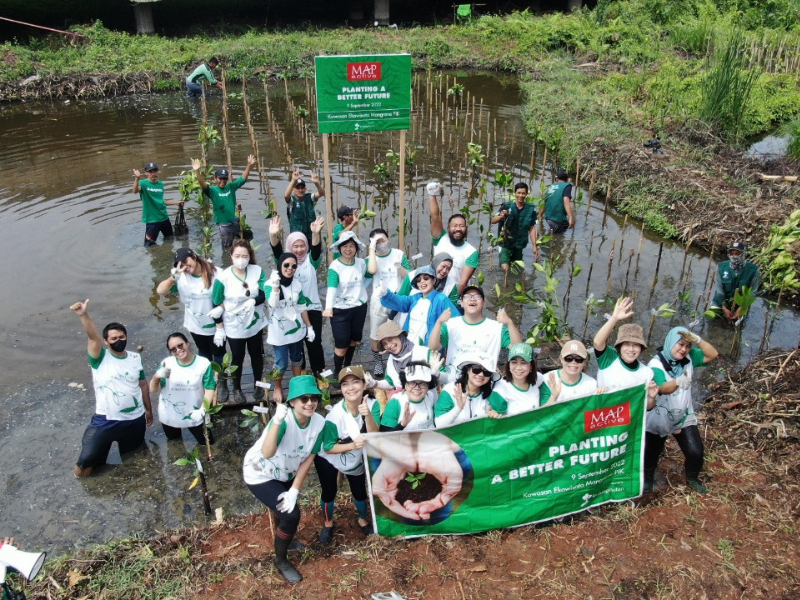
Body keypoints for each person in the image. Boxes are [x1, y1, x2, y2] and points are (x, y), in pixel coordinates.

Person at [242, 375, 325, 583]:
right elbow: (268, 452)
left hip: (286, 470)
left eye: (314, 398)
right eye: (303, 399)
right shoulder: (284, 422)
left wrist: (294, 490)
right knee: (291, 514)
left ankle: (284, 538)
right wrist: (276, 422)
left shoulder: (319, 423)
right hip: (261, 471)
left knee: (285, 507)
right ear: (293, 402)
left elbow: (309, 459)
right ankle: (280, 560)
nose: (310, 403)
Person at [70, 300, 153, 477]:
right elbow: (93, 337)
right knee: (85, 463)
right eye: (114, 338)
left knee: (134, 457)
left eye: (122, 337)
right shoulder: (100, 358)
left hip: (134, 419)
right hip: (106, 419)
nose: (118, 341)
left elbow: (143, 384)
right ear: (106, 341)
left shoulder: (135, 358)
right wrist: (84, 315)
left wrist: (148, 410)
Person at [645, 327, 718, 494]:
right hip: (659, 417)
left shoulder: (689, 358)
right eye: (680, 344)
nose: (684, 349)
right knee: (651, 454)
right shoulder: (655, 364)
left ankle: (692, 478)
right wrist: (678, 381)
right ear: (670, 342)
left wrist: (697, 340)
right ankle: (648, 478)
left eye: (687, 346)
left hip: (682, 415)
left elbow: (712, 354)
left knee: (695, 452)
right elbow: (663, 387)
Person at [315, 365, 380, 543]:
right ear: (341, 389)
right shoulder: (334, 416)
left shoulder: (372, 405)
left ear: (364, 385)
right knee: (329, 491)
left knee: (359, 490)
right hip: (329, 456)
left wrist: (367, 416)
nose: (351, 388)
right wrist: (351, 445)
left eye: (355, 382)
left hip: (355, 455)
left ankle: (362, 519)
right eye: (345, 384)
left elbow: (375, 434)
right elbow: (328, 447)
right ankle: (328, 523)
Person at [155, 248, 227, 396]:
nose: (185, 267)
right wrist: (173, 278)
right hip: (195, 325)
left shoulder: (217, 273)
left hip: (216, 325)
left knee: (219, 353)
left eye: (186, 262)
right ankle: (208, 383)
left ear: (194, 256)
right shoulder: (181, 277)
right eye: (180, 265)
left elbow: (229, 296)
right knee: (204, 352)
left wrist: (221, 310)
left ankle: (222, 381)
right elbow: (160, 291)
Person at [210, 240, 267, 404]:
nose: (241, 259)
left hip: (254, 323)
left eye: (244, 256)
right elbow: (216, 302)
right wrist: (219, 328)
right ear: (231, 256)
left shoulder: (257, 271)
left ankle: (258, 384)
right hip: (234, 326)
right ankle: (236, 388)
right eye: (237, 256)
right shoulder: (223, 278)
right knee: (237, 357)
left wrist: (254, 301)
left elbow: (263, 293)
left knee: (257, 354)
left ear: (250, 257)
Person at [269, 214, 326, 375]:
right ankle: (301, 373)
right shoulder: (286, 263)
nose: (299, 249)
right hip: (293, 311)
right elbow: (276, 249)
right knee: (297, 346)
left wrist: (315, 234)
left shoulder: (311, 262)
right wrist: (273, 235)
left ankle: (320, 375)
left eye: (302, 245)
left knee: (315, 344)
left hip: (312, 309)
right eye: (295, 246)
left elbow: (316, 249)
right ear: (289, 247)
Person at [428, 285, 523, 372]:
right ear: (461, 303)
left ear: (484, 303)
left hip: (483, 380)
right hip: (455, 381)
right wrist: (439, 322)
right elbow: (433, 347)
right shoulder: (450, 325)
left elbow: (518, 349)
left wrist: (509, 323)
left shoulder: (496, 328)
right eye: (467, 296)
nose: (472, 299)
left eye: (477, 296)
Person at [265, 253, 314, 403]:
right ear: (280, 265)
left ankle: (297, 385)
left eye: (294, 266)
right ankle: (278, 386)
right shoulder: (269, 284)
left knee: (297, 357)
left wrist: (309, 327)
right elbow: (273, 303)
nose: (290, 268)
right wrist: (275, 286)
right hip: (279, 332)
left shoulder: (297, 284)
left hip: (296, 329)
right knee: (281, 362)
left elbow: (302, 307)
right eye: (286, 265)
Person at [149, 333, 215, 445]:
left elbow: (209, 389)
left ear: (187, 343)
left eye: (180, 345)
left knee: (207, 443)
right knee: (174, 441)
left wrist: (203, 409)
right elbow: (154, 390)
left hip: (194, 412)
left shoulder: (203, 364)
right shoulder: (167, 364)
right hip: (170, 413)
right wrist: (156, 377)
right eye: (173, 349)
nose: (178, 350)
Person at [323, 231, 373, 373]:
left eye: (351, 246)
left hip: (359, 307)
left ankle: (347, 367)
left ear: (356, 248)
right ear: (339, 248)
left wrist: (362, 290)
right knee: (341, 345)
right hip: (340, 310)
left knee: (354, 340)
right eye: (344, 246)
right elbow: (331, 288)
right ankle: (338, 372)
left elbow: (369, 275)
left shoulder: (361, 263)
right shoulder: (335, 266)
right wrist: (328, 308)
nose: (348, 249)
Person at [367, 228, 412, 375]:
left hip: (397, 299)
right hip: (379, 300)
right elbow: (372, 270)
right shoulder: (371, 258)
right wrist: (372, 249)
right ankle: (378, 362)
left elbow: (410, 277)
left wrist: (399, 267)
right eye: (377, 241)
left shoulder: (399, 254)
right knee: (375, 333)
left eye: (383, 239)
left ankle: (398, 359)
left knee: (397, 331)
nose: (381, 243)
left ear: (388, 239)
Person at [378, 265, 459, 347]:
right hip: (409, 346)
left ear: (434, 280)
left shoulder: (442, 299)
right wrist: (386, 294)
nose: (422, 281)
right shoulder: (415, 299)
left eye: (426, 278)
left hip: (428, 350)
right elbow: (400, 301)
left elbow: (456, 321)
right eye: (418, 280)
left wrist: (442, 343)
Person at [593, 297, 656, 394]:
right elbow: (597, 342)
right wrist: (614, 318)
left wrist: (652, 397)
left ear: (641, 348)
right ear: (620, 346)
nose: (631, 349)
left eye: (635, 345)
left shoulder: (647, 372)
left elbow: (646, 406)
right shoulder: (610, 358)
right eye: (626, 344)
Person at [427, 181, 479, 298]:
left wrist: (451, 302)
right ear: (448, 228)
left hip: (453, 293)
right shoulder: (440, 238)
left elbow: (463, 282)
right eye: (455, 226)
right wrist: (432, 195)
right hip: (433, 288)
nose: (458, 229)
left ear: (466, 229)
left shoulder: (471, 252)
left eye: (461, 226)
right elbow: (435, 217)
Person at [193, 156, 257, 248]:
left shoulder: (231, 187)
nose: (222, 181)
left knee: (249, 235)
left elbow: (243, 178)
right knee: (226, 248)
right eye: (220, 179)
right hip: (224, 226)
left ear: (227, 179)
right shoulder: (212, 191)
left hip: (234, 221)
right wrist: (197, 171)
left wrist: (249, 165)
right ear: (215, 178)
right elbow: (202, 184)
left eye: (224, 179)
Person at [434, 353, 507, 427]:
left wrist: (494, 417)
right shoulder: (450, 390)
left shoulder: (492, 394)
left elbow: (502, 421)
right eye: (476, 369)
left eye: (487, 372)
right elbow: (439, 424)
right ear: (467, 370)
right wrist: (458, 409)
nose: (481, 374)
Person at [372, 321, 448, 391]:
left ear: (400, 336)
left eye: (390, 339)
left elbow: (447, 379)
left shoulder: (424, 353)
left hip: (427, 402)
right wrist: (373, 383)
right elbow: (390, 383)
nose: (389, 345)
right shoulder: (391, 360)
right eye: (384, 343)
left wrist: (437, 374)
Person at [490, 182, 540, 272]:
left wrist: (534, 247)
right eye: (519, 193)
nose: (521, 195)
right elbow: (493, 221)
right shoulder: (506, 206)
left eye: (523, 193)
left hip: (519, 245)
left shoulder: (531, 209)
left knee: (516, 269)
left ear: (526, 194)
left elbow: (532, 228)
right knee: (505, 268)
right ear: (515, 193)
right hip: (505, 243)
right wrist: (502, 215)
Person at [379, 360, 441, 431]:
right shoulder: (395, 403)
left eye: (422, 383)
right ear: (405, 385)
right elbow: (385, 437)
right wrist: (402, 424)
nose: (417, 387)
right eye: (412, 383)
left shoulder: (430, 396)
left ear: (428, 387)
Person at [132, 162, 183, 247]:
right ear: (146, 173)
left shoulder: (160, 184)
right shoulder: (143, 183)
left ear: (158, 172)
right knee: (149, 245)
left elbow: (161, 201)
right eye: (150, 172)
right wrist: (137, 179)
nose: (153, 174)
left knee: (169, 239)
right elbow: (135, 191)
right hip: (152, 221)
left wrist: (176, 203)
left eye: (155, 171)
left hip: (164, 218)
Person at [710, 241, 761, 324]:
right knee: (711, 317)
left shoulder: (754, 270)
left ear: (744, 254)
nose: (734, 256)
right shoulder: (721, 267)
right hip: (721, 301)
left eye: (737, 254)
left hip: (741, 304)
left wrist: (741, 308)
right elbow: (719, 290)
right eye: (732, 254)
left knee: (738, 324)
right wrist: (723, 307)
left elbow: (752, 292)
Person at [540, 340, 601, 405]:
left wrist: (602, 393)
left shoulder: (591, 384)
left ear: (584, 362)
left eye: (578, 359)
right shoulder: (548, 380)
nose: (573, 362)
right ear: (561, 359)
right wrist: (554, 396)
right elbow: (542, 413)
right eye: (568, 358)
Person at [492, 343, 544, 415]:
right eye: (514, 362)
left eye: (523, 363)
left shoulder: (538, 378)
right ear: (509, 365)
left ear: (531, 366)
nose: (518, 367)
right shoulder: (500, 390)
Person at [284, 169, 325, 242]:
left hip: (311, 236)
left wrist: (317, 183)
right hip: (297, 238)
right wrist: (293, 180)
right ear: (293, 189)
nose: (300, 190)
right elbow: (286, 196)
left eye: (302, 188)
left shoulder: (310, 197)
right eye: (297, 188)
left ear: (305, 189)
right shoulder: (292, 201)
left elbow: (321, 193)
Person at [540, 170, 575, 234]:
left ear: (556, 178)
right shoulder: (567, 186)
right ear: (567, 179)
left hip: (548, 219)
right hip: (557, 222)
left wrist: (540, 216)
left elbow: (544, 203)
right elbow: (566, 201)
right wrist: (571, 217)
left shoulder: (550, 187)